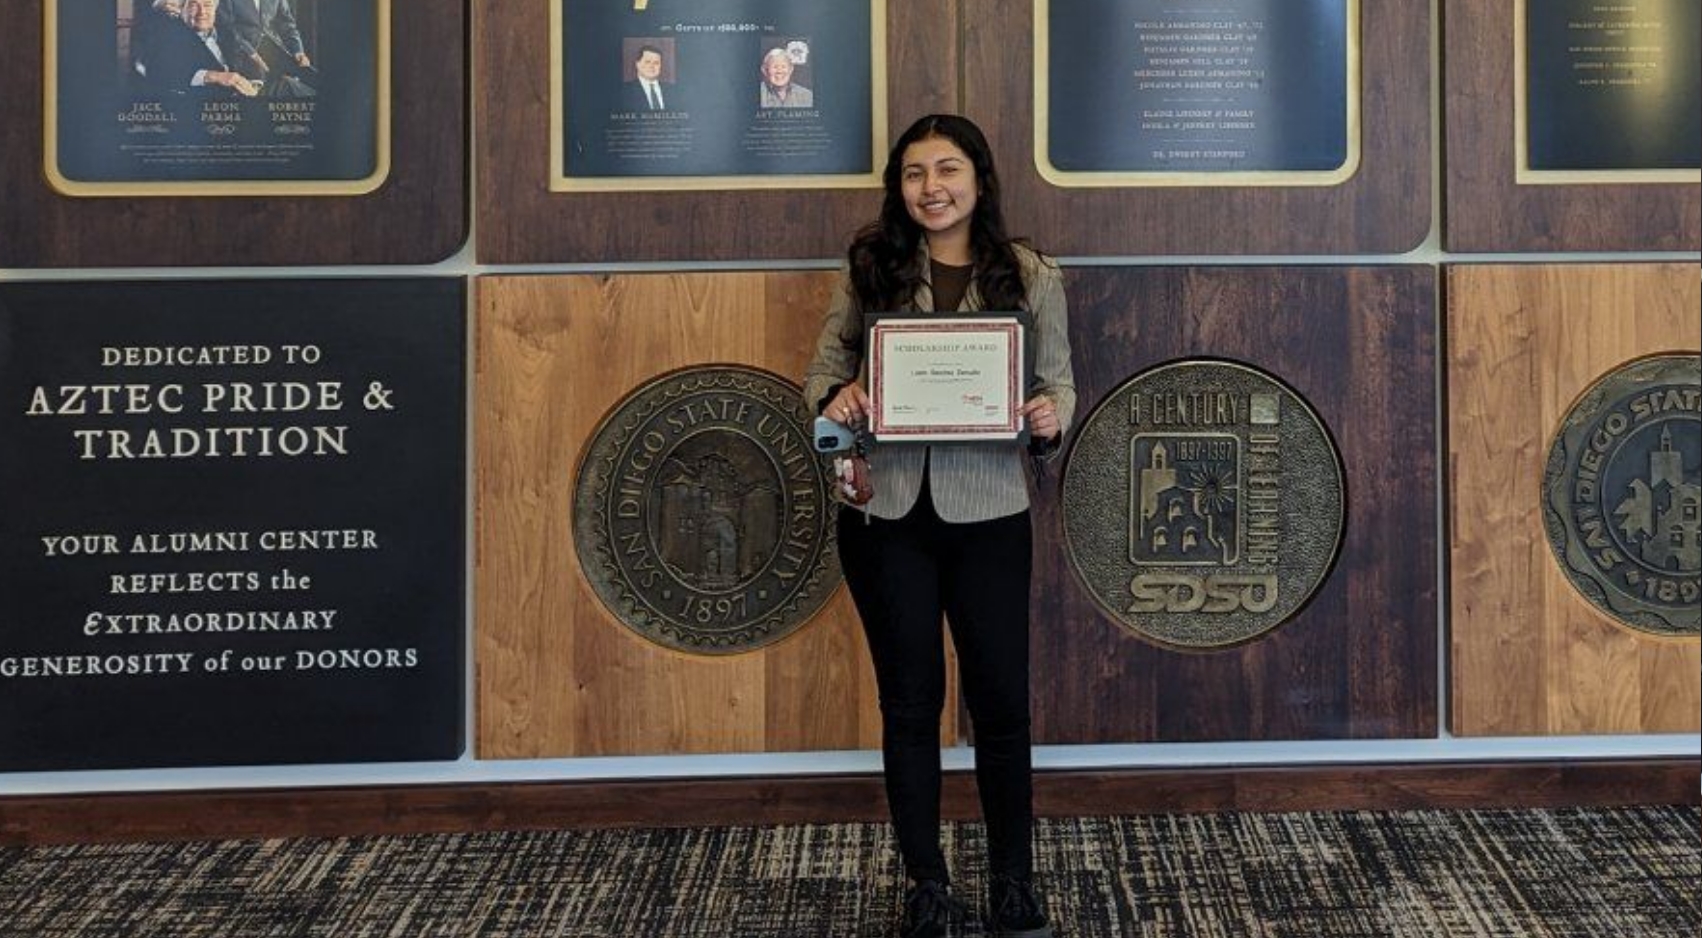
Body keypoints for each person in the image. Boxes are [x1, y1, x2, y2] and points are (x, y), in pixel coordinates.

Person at [802, 113, 1073, 938]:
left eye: (947, 170)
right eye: (914, 174)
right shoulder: (870, 269)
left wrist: (1044, 414)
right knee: (910, 706)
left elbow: (1059, 390)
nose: (932, 188)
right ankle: (926, 881)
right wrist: (836, 404)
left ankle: (1014, 884)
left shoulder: (1030, 275)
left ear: (979, 180)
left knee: (1002, 706)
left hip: (989, 511)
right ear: (899, 187)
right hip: (885, 517)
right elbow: (818, 381)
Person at [139, 0, 259, 97]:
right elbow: (159, 72)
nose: (202, 12)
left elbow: (249, 62)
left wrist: (254, 83)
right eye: (194, 5)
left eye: (207, 5)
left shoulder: (227, 34)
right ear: (180, 10)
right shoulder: (169, 37)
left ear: (215, 9)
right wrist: (212, 76)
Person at [215, 0, 311, 80]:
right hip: (241, 51)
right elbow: (226, 28)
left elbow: (287, 25)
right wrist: (249, 51)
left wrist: (297, 50)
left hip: (272, 48)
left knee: (305, 77)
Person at [622, 44, 672, 112]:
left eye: (656, 63)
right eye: (647, 62)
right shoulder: (625, 91)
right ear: (637, 64)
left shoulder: (672, 90)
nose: (652, 66)